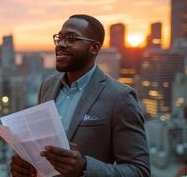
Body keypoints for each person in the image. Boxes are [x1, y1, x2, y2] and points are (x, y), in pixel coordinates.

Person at [10, 14, 150, 177]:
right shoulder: (47, 86)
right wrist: (25, 166)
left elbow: (139, 171)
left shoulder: (120, 97)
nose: (60, 44)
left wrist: (84, 168)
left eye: (71, 38)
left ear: (94, 48)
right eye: (59, 38)